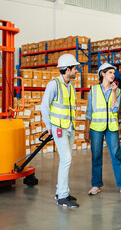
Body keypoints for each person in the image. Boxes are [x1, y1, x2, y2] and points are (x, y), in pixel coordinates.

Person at [84, 63, 121, 196]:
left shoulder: (118, 91)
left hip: (111, 127)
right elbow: (89, 111)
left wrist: (114, 91)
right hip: (96, 127)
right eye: (110, 72)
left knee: (116, 155)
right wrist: (86, 130)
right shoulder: (93, 90)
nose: (113, 75)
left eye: (114, 73)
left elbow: (115, 109)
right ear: (102, 74)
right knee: (96, 156)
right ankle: (96, 185)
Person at [41, 54, 80, 208]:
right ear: (67, 69)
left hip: (70, 128)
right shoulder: (54, 84)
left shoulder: (71, 86)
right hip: (58, 128)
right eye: (75, 68)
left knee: (66, 160)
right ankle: (62, 196)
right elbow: (44, 106)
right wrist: (49, 126)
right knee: (66, 159)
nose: (76, 71)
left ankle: (61, 192)